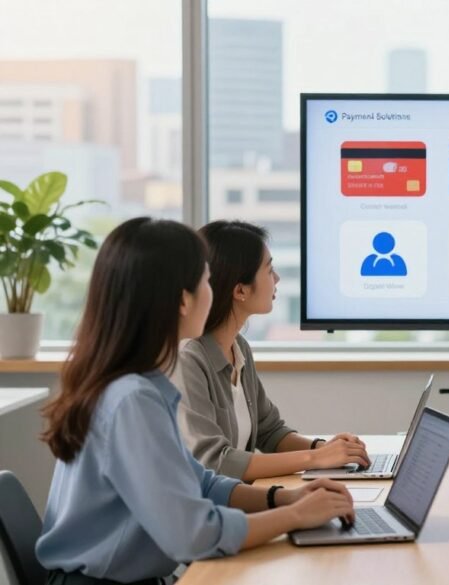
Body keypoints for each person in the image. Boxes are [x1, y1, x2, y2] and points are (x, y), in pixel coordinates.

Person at [36, 218, 354, 584]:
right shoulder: (132, 400)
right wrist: (295, 517)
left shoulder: (140, 385)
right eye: (205, 280)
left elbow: (199, 481)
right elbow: (194, 534)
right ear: (183, 301)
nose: (212, 291)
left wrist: (284, 499)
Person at [175, 220, 370, 481]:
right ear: (240, 290)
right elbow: (214, 462)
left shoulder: (238, 347)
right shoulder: (188, 359)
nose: (276, 278)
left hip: (238, 497)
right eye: (269, 270)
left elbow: (270, 431)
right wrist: (315, 459)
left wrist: (324, 448)